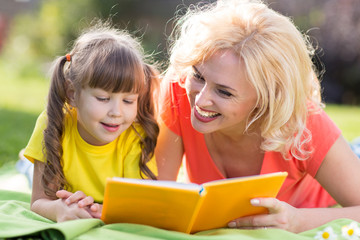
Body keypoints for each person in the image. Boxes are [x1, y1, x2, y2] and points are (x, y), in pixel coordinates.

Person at [155, 0, 360, 233]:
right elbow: (160, 196)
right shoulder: (179, 88)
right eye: (199, 76)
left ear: (265, 101)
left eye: (224, 91)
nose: (200, 100)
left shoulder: (304, 124)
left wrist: (299, 220)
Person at [23, 23, 159, 222]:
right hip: (55, 174)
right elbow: (39, 201)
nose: (116, 112)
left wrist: (98, 211)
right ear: (73, 95)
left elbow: (138, 204)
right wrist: (58, 209)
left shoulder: (135, 135)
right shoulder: (53, 123)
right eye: (103, 99)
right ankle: (24, 161)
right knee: (27, 171)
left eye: (128, 100)